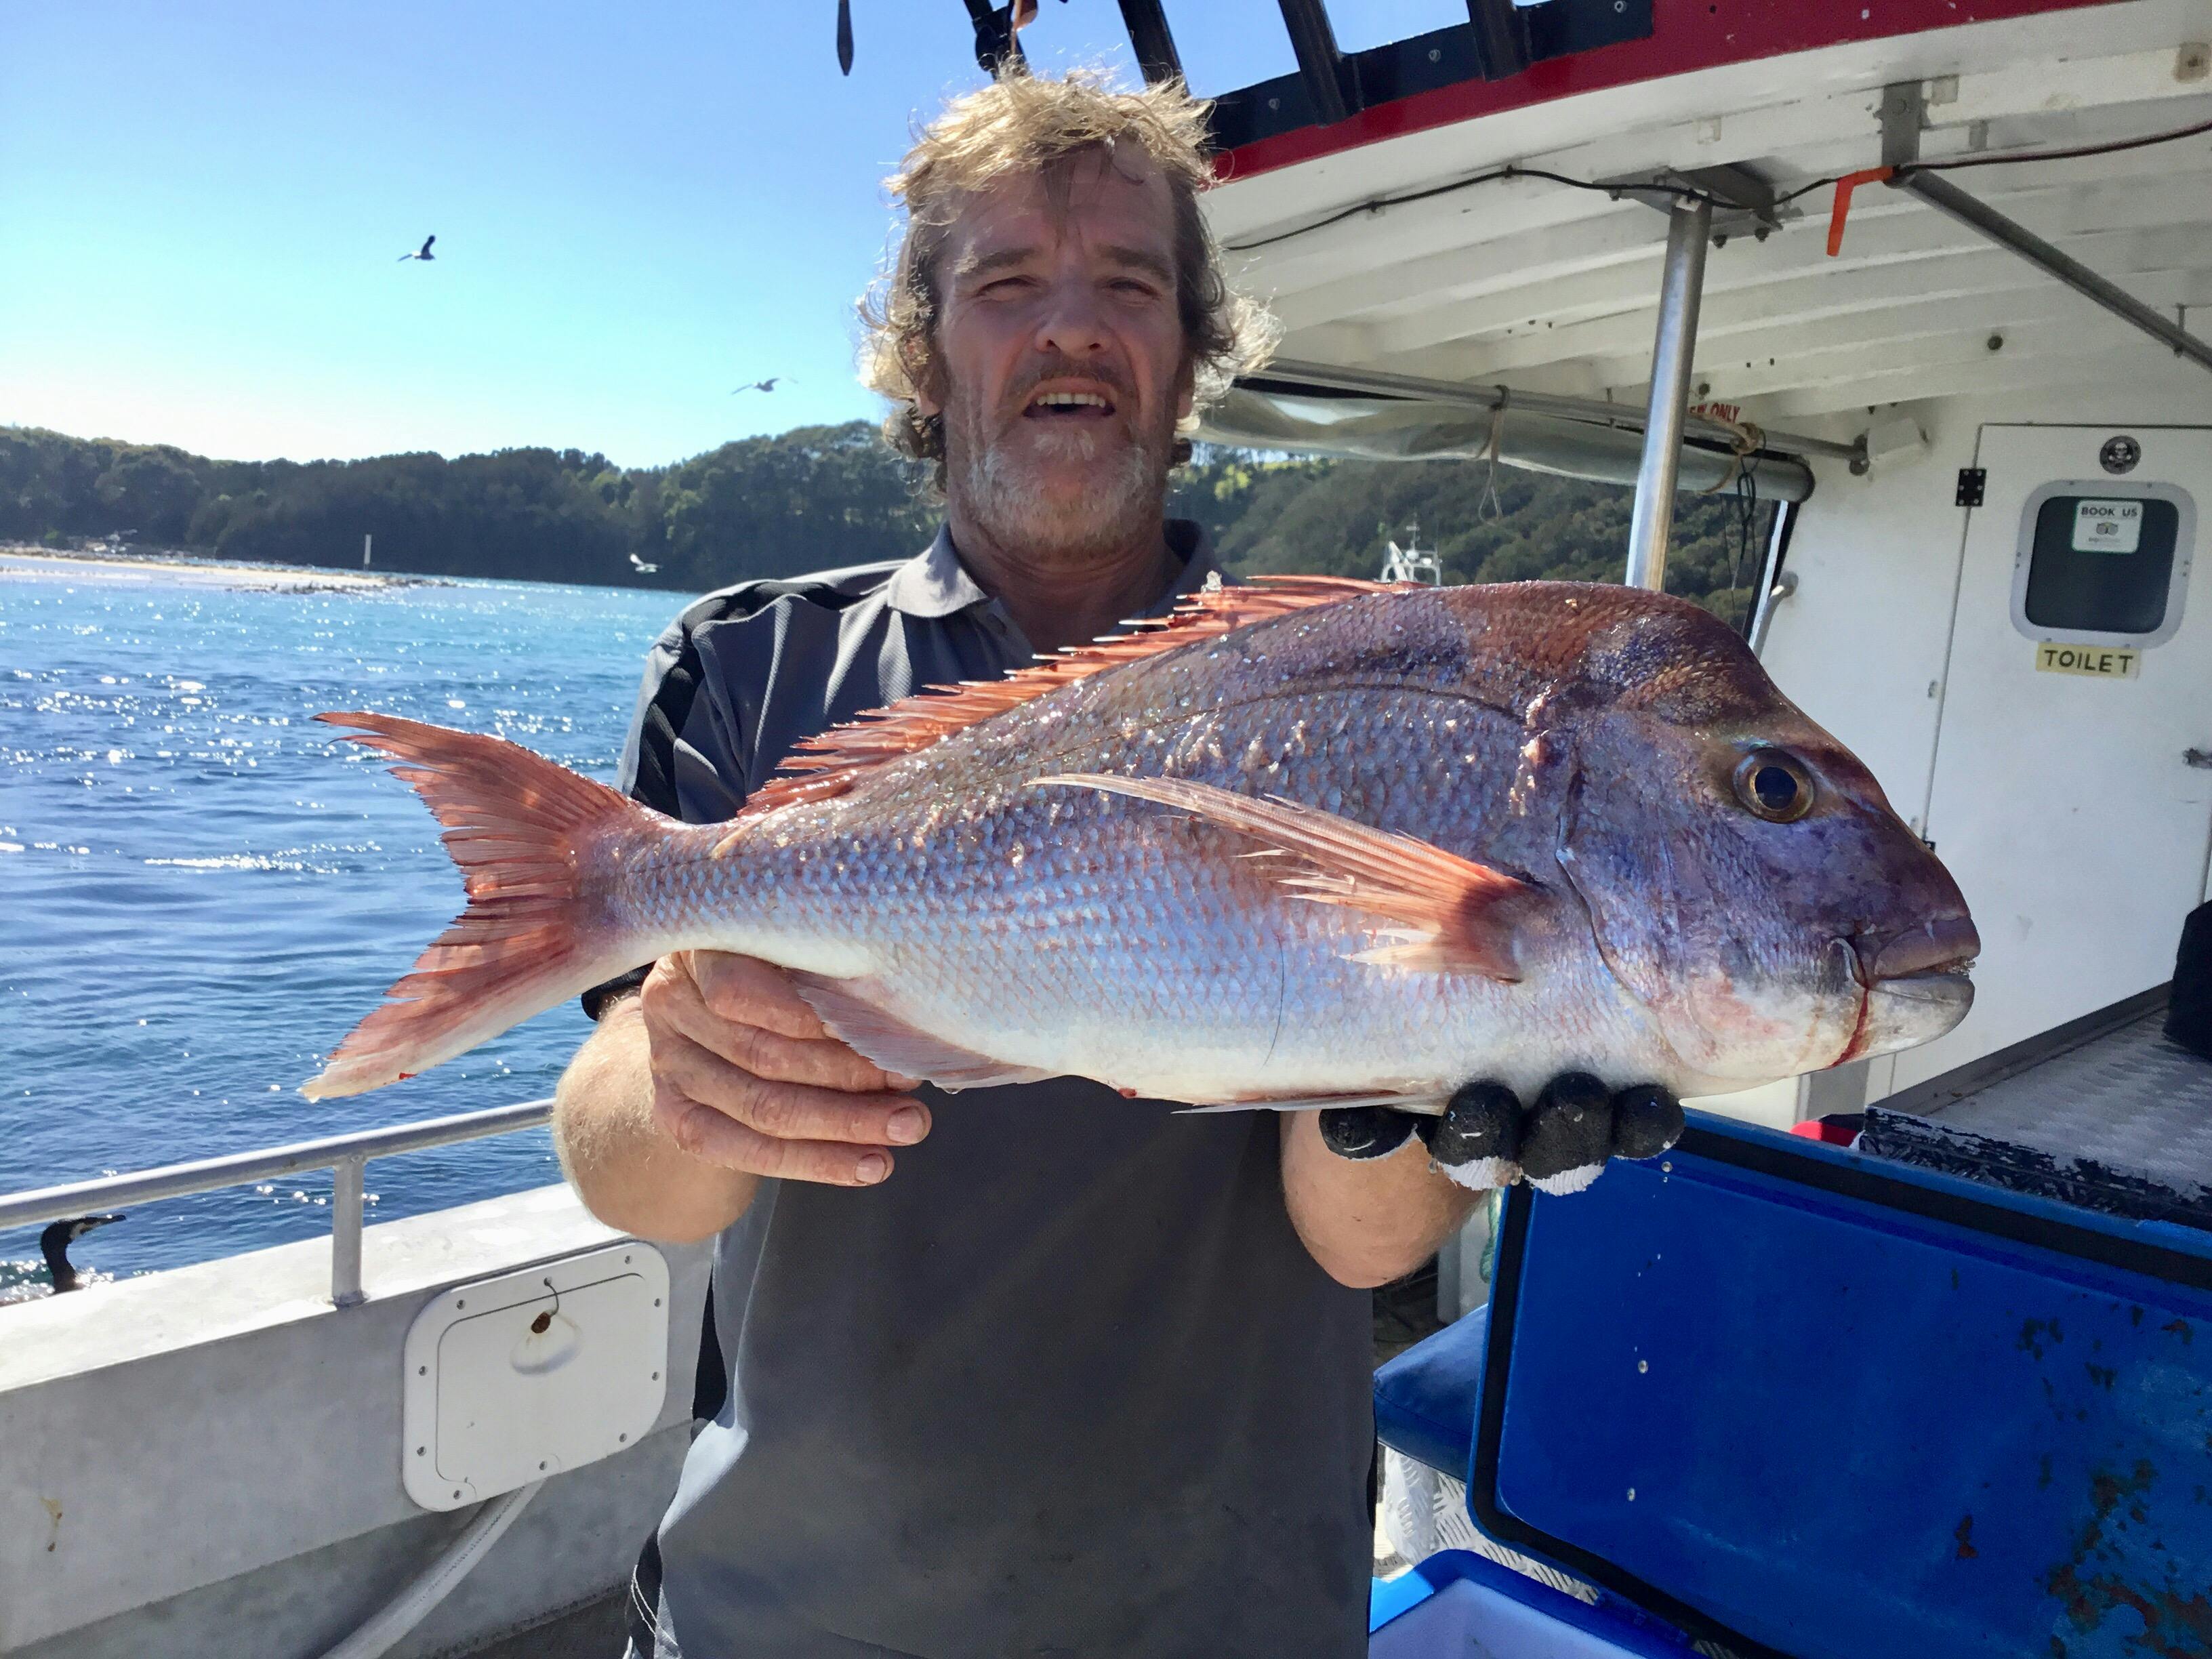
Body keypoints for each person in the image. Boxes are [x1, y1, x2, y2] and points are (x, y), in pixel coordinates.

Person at [554, 69, 1673, 1659]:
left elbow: (1360, 1243)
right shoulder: (748, 671)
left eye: (1129, 287)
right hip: (787, 1614)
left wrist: (1446, 1096)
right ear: (925, 348)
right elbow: (631, 1182)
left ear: (1191, 351)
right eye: (1006, 284)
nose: (1069, 328)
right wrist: (682, 1068)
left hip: (1224, 1612)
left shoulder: (1363, 690)